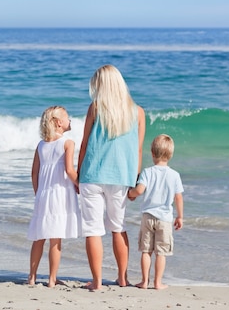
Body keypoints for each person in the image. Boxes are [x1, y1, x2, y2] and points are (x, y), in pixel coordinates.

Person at [77, 64, 146, 290]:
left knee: (93, 229)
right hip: (121, 177)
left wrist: (78, 174)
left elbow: (85, 144)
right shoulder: (137, 112)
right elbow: (138, 149)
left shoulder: (95, 108)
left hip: (92, 175)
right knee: (118, 227)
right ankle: (123, 279)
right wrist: (135, 180)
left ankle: (96, 282)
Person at [27, 105, 81, 288]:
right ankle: (51, 279)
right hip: (59, 195)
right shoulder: (67, 143)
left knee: (39, 237)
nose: (70, 120)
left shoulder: (41, 145)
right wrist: (79, 184)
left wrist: (38, 192)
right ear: (59, 123)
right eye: (67, 117)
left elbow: (34, 173)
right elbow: (69, 170)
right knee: (55, 239)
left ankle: (32, 277)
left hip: (43, 194)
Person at [127, 134, 184, 290]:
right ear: (170, 155)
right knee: (161, 252)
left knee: (146, 250)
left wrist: (130, 194)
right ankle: (158, 283)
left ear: (152, 153)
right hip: (165, 219)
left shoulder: (147, 172)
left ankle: (144, 281)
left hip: (148, 217)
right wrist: (180, 216)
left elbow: (139, 190)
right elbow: (178, 197)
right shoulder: (174, 175)